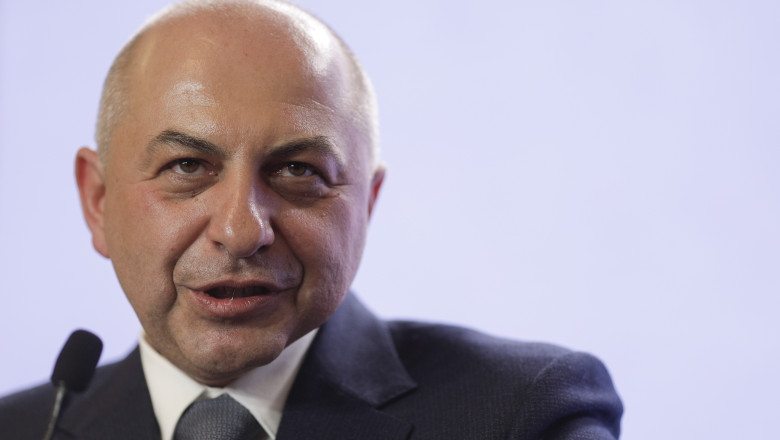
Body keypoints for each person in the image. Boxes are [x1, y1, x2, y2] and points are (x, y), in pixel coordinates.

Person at [0, 0, 623, 439]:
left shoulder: (522, 415)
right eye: (188, 166)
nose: (241, 230)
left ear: (366, 205)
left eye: (298, 171)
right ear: (98, 201)